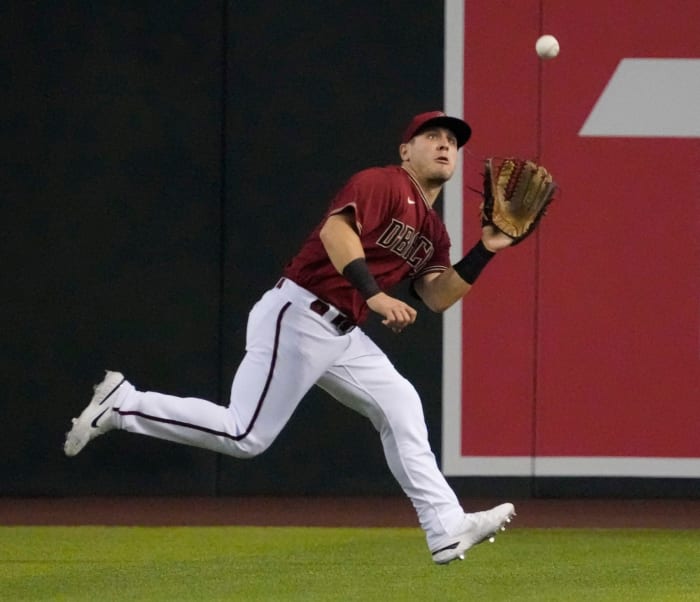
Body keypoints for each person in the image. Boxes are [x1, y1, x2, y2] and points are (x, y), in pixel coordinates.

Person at [64, 111, 516, 564]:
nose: (444, 145)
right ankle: (123, 404)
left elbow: (437, 297)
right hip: (301, 311)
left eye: (452, 142)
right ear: (405, 150)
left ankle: (445, 527)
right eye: (431, 136)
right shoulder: (384, 183)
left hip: (342, 333)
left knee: (401, 404)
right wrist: (375, 296)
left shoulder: (433, 233)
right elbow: (336, 231)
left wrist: (487, 249)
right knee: (245, 434)